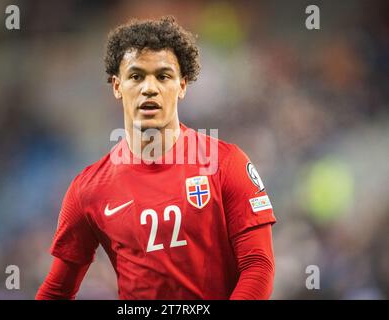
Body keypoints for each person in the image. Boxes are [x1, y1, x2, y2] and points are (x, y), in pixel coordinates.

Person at [36, 16, 276, 300]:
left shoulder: (226, 164)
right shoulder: (87, 190)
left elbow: (258, 265)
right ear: (117, 86)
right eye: (136, 76)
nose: (149, 88)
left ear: (183, 85)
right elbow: (57, 290)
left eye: (163, 76)